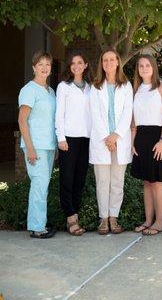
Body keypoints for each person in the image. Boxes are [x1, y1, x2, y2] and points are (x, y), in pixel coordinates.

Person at [89, 49, 133, 235]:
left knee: (117, 181)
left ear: (117, 62)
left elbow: (127, 113)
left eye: (112, 59)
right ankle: (103, 219)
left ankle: (114, 217)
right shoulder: (96, 86)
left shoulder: (126, 85)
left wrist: (116, 135)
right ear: (102, 63)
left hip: (120, 140)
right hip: (102, 141)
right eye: (105, 60)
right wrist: (107, 138)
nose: (108, 63)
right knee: (102, 181)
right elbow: (95, 114)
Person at [131, 54, 162, 236]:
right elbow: (133, 119)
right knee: (147, 183)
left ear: (154, 67)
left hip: (158, 139)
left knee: (157, 182)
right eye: (141, 66)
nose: (144, 68)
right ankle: (148, 221)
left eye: (147, 65)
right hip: (141, 138)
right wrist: (133, 142)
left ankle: (159, 223)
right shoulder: (136, 89)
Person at [18, 51, 57, 239]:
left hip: (49, 145)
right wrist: (30, 149)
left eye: (47, 64)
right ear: (34, 67)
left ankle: (40, 222)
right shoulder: (29, 90)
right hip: (35, 146)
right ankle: (36, 228)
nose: (44, 68)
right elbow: (22, 121)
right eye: (40, 64)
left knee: (44, 185)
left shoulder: (50, 91)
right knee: (39, 185)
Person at [55, 52, 91, 236]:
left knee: (80, 178)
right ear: (69, 67)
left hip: (86, 139)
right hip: (68, 139)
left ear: (85, 65)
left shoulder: (91, 88)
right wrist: (60, 138)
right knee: (67, 179)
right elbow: (59, 114)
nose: (76, 66)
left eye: (79, 62)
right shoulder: (64, 87)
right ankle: (70, 217)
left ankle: (75, 212)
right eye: (72, 63)